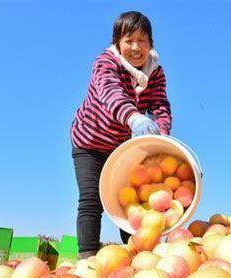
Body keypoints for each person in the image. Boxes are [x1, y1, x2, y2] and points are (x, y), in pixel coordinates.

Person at [70, 11, 172, 259]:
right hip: (89, 143)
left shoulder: (155, 73)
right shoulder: (105, 63)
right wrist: (134, 117)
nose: (136, 47)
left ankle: (138, 255)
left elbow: (160, 105)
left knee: (129, 203)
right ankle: (87, 258)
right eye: (129, 40)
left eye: (142, 40)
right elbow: (110, 93)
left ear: (151, 43)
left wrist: (162, 135)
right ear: (117, 42)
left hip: (122, 149)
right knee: (92, 200)